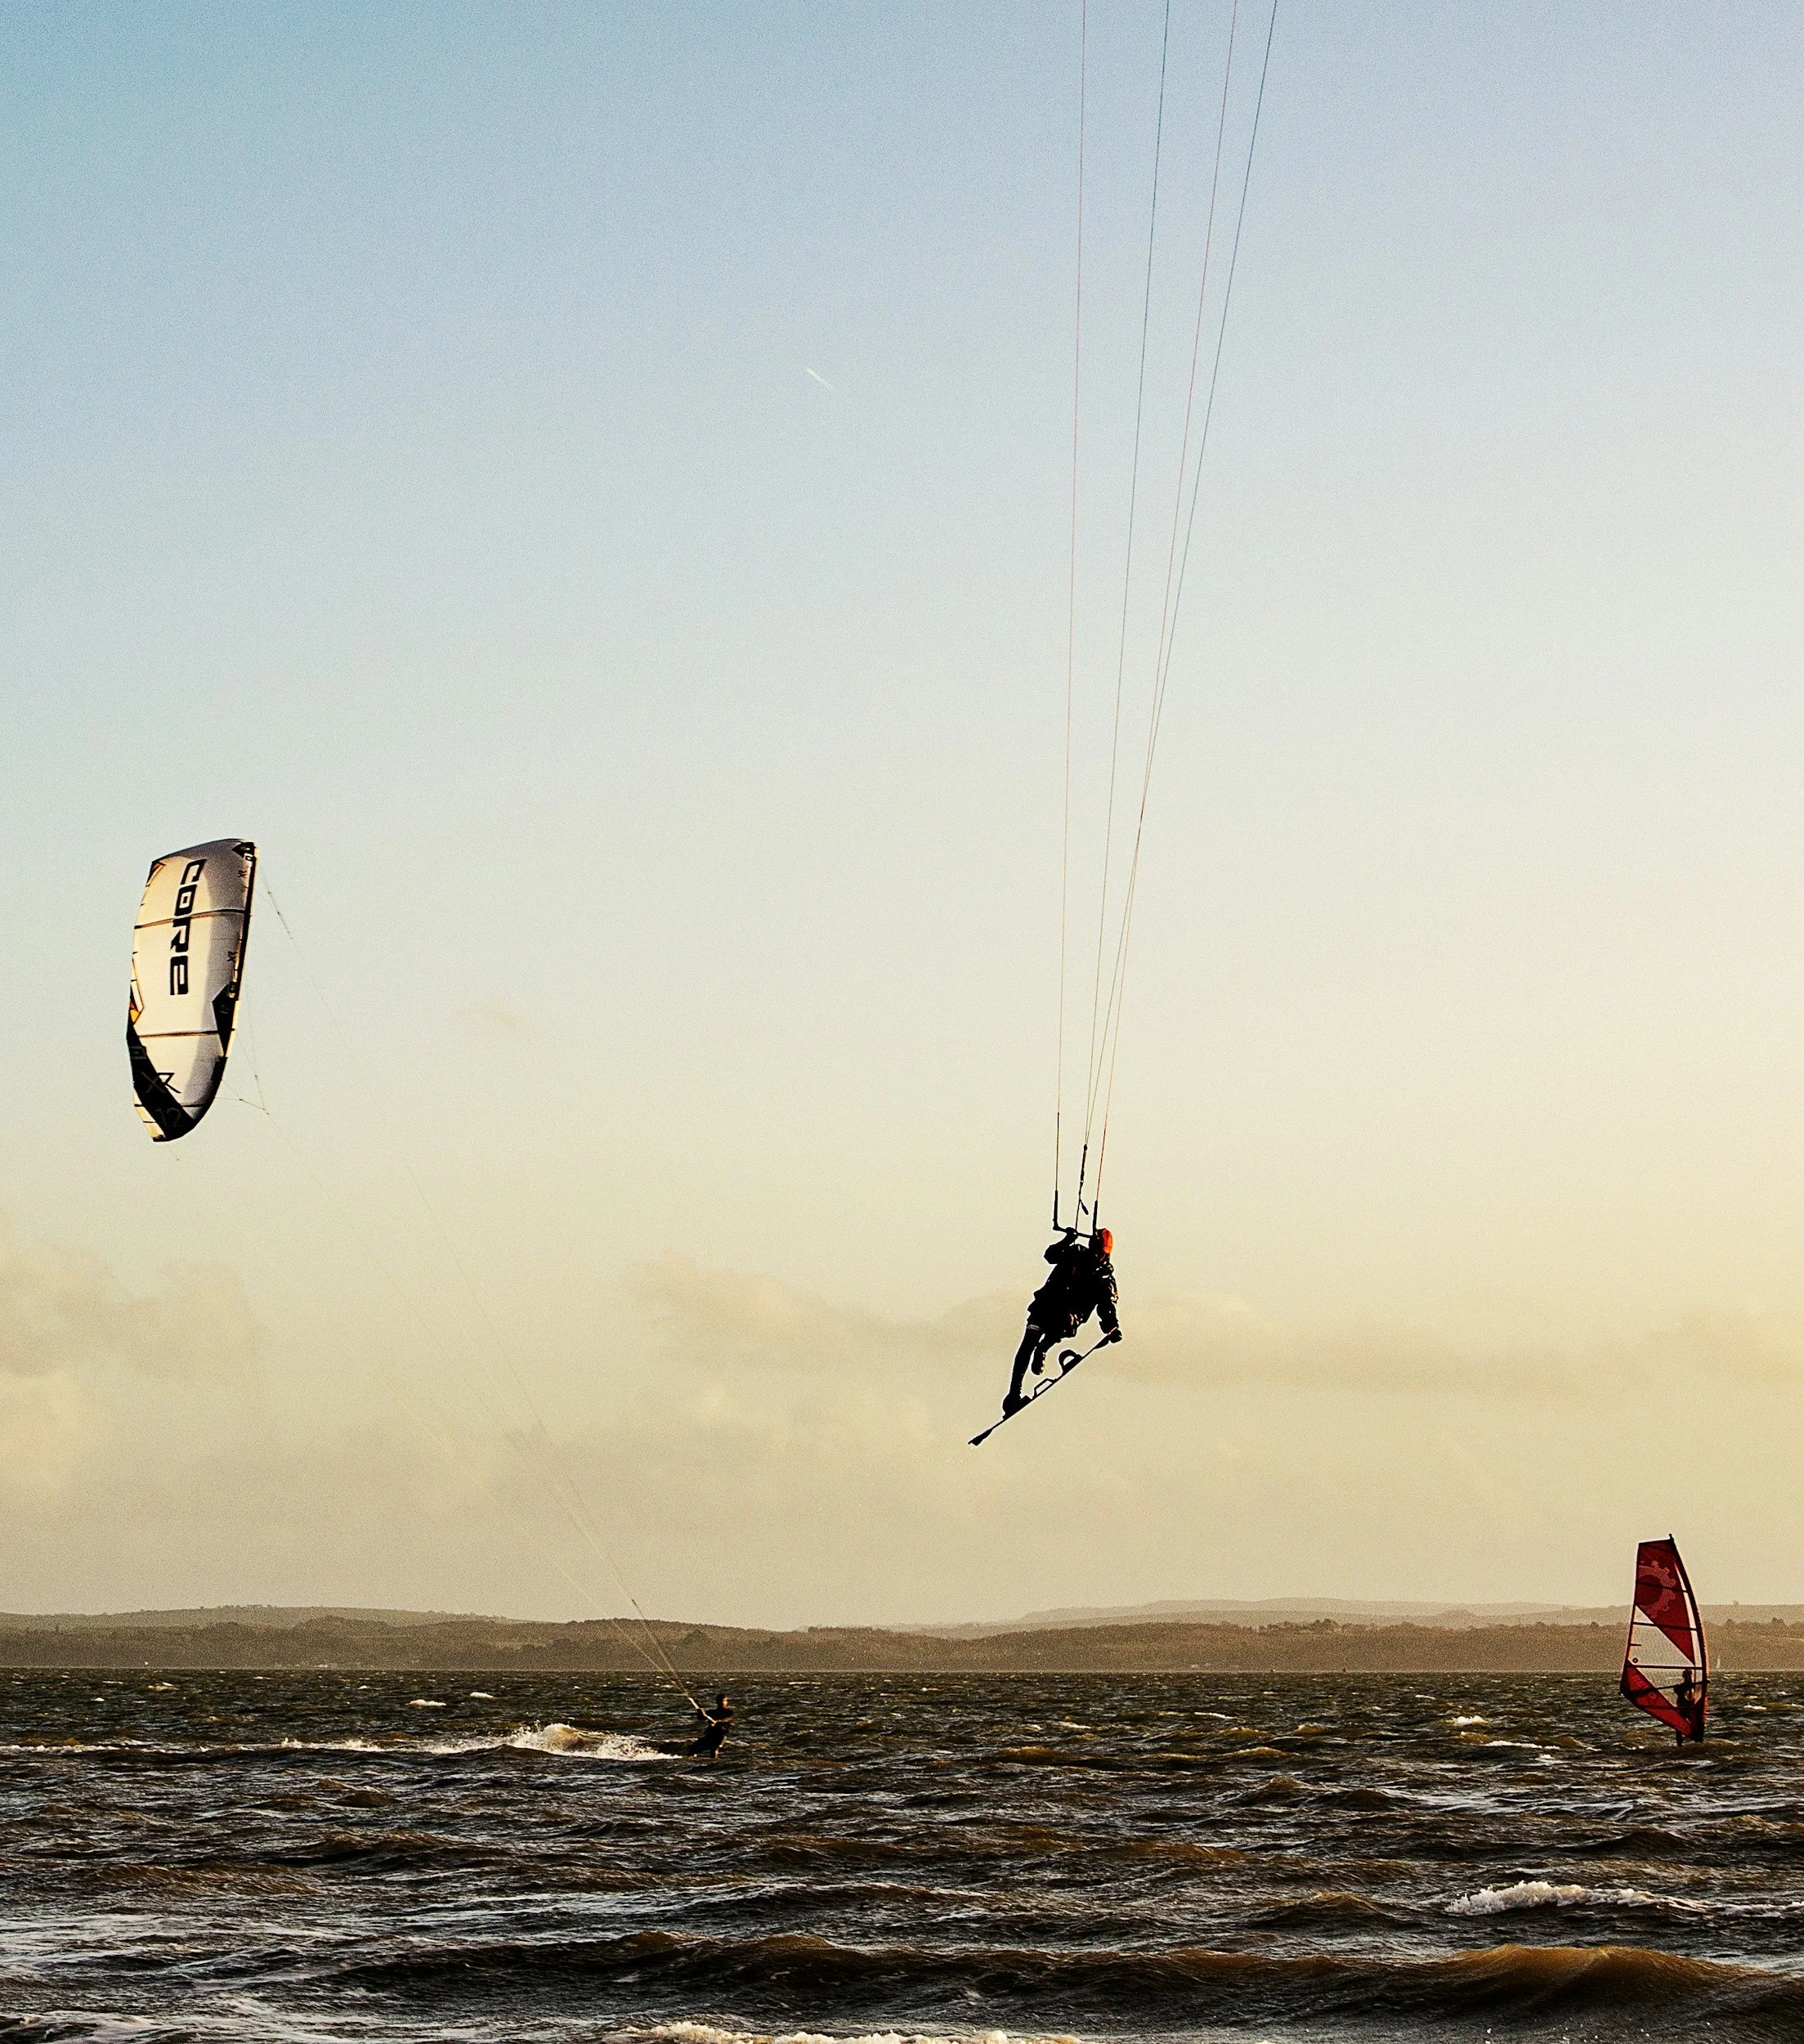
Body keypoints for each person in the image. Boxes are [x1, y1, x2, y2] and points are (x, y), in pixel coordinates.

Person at [1003, 1227, 1121, 1415]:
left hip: (1068, 1316)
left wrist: (1111, 1326)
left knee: (1061, 1326)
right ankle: (1013, 1395)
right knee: (1027, 1344)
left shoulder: (1104, 1276)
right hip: (1045, 1305)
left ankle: (1044, 1348)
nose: (1097, 1256)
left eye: (1102, 1253)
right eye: (1096, 1250)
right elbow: (1050, 1256)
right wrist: (1067, 1240)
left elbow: (1107, 1304)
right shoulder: (1075, 1253)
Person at [689, 1692, 733, 1759]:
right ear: (717, 1702)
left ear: (726, 1702)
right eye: (720, 1701)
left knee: (714, 1749)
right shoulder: (712, 1712)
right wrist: (699, 1709)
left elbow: (727, 1719)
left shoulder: (729, 1713)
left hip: (720, 1736)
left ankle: (714, 1763)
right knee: (693, 1748)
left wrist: (718, 1721)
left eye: (724, 1701)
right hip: (710, 1735)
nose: (722, 1702)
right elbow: (701, 1718)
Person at [1672, 1670, 1703, 1747]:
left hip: (1691, 1709)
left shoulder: (1694, 1686)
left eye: (1690, 1676)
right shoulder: (1681, 1686)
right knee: (1679, 1726)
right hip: (1682, 1708)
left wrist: (1704, 1683)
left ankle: (1697, 1740)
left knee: (1696, 1724)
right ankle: (1679, 1743)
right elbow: (1676, 1690)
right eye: (1687, 1676)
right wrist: (1677, 1687)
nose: (1689, 1677)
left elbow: (1700, 1687)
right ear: (1684, 1677)